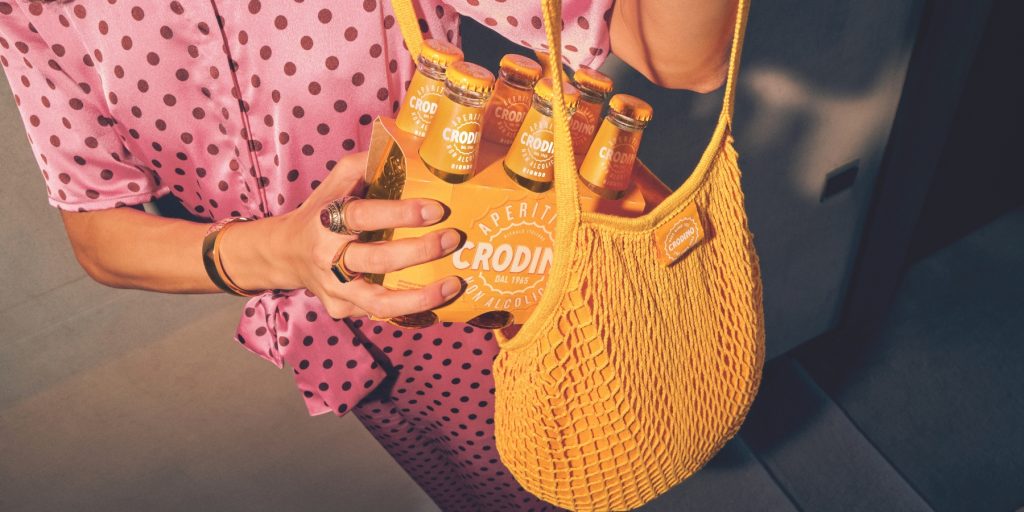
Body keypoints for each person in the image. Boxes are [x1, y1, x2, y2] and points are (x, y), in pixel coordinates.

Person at [0, 0, 737, 509]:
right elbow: (99, 231)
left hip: (485, 287)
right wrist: (286, 257)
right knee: (482, 493)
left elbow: (679, 54)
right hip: (338, 342)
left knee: (581, 469)